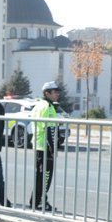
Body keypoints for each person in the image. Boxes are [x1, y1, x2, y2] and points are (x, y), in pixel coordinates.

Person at [30, 81, 63, 211]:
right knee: (45, 177)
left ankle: (37, 200)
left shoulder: (39, 105)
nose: (57, 94)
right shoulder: (47, 107)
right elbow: (49, 129)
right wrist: (52, 149)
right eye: (55, 92)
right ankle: (38, 202)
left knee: (40, 176)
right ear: (47, 93)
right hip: (45, 146)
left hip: (39, 144)